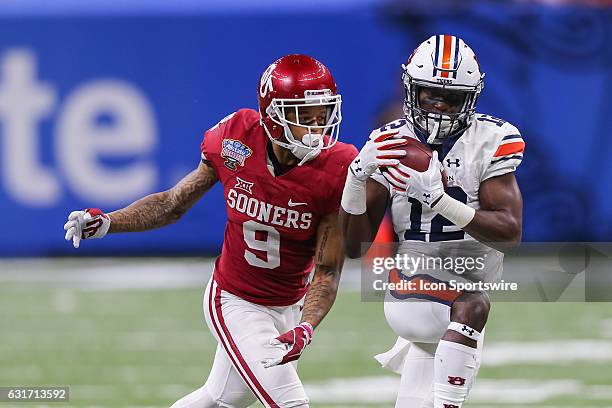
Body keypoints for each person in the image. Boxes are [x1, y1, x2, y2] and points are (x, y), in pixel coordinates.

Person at [64, 54, 357, 408]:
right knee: (291, 403)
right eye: (303, 118)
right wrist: (110, 222)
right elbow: (173, 203)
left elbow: (328, 270)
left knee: (217, 401)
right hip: (235, 300)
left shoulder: (338, 167)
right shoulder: (236, 138)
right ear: (274, 118)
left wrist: (307, 326)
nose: (316, 128)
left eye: (322, 115)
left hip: (289, 305)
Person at [339, 35, 524, 407]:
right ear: (411, 90)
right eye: (429, 94)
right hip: (416, 283)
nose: (439, 105)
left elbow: (509, 233)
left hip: (464, 282)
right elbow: (352, 244)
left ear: (469, 98)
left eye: (451, 97)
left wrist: (439, 200)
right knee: (473, 307)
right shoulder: (391, 142)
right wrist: (356, 178)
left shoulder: (491, 138)